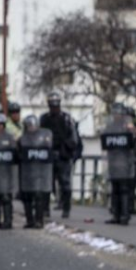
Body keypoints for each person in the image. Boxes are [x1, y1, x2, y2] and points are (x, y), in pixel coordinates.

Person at [40, 91, 81, 219]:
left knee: (65, 183)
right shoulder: (44, 119)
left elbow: (74, 138)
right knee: (46, 183)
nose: (54, 108)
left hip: (63, 155)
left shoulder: (66, 118)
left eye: (56, 105)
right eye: (52, 105)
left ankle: (66, 209)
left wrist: (68, 150)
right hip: (48, 155)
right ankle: (45, 209)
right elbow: (40, 136)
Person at [101, 103, 136, 225]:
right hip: (113, 161)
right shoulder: (109, 126)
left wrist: (133, 133)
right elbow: (104, 139)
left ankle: (124, 215)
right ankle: (116, 214)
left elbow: (134, 141)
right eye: (114, 113)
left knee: (123, 189)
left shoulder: (127, 125)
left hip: (125, 161)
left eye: (118, 113)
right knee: (115, 190)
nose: (116, 115)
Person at [18, 115, 54, 229]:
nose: (31, 128)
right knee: (27, 197)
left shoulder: (45, 137)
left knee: (39, 196)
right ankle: (30, 220)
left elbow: (50, 150)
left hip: (41, 172)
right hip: (27, 173)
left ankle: (39, 220)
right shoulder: (22, 139)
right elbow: (18, 154)